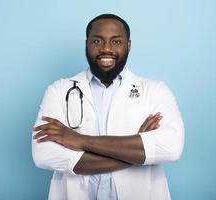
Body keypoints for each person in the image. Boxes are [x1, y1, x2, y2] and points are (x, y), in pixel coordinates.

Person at [32, 14, 184, 200]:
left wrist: (80, 140)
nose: (106, 48)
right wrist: (136, 150)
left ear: (128, 46)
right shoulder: (58, 90)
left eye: (116, 41)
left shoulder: (155, 91)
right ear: (86, 44)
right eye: (97, 41)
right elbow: (44, 155)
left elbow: (171, 148)